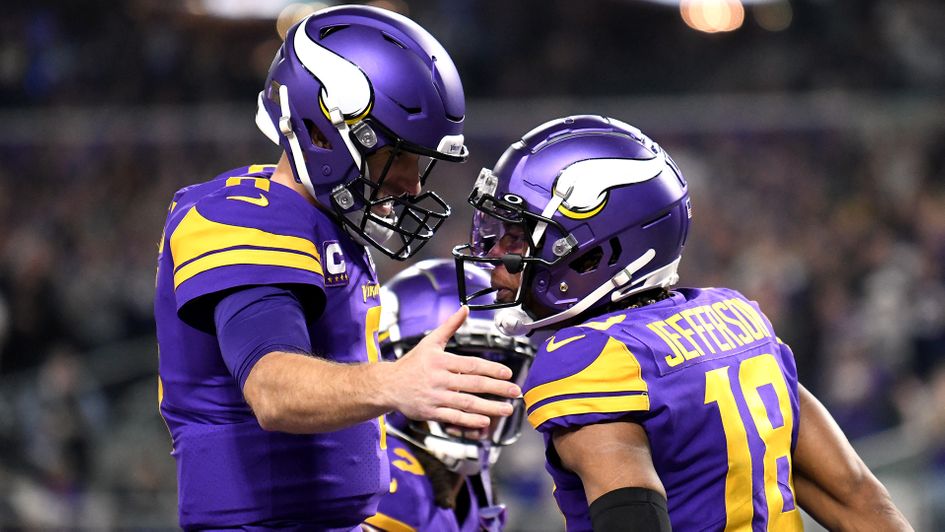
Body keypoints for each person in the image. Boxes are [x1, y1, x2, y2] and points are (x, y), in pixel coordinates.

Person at [153, 6, 520, 530]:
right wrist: (396, 382)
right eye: (397, 155)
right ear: (323, 134)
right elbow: (273, 390)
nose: (412, 184)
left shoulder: (323, 220)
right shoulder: (244, 221)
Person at [452, 115, 913, 531]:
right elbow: (859, 500)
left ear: (595, 250)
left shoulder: (588, 358)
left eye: (516, 237)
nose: (495, 257)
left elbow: (633, 519)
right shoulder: (737, 319)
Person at [363, 259, 534, 532]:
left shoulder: (477, 488)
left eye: (498, 375)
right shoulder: (379, 481)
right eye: (454, 373)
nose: (478, 402)